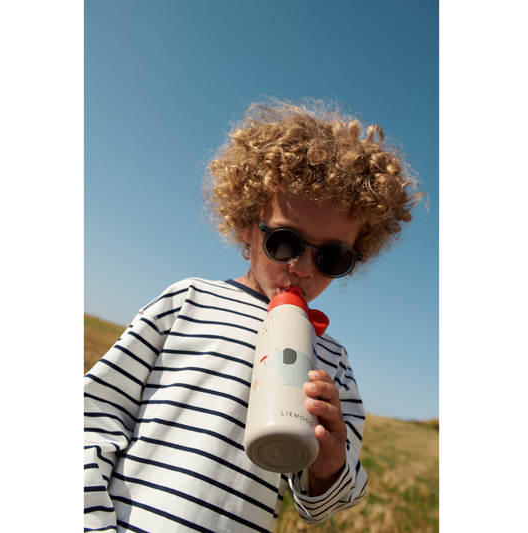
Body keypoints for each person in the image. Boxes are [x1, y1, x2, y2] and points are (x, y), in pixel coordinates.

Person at [81, 99, 423, 532]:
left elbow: (322, 506)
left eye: (332, 257)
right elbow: (95, 416)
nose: (302, 268)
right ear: (248, 223)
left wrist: (330, 464)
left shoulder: (332, 361)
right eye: (285, 241)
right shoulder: (188, 301)